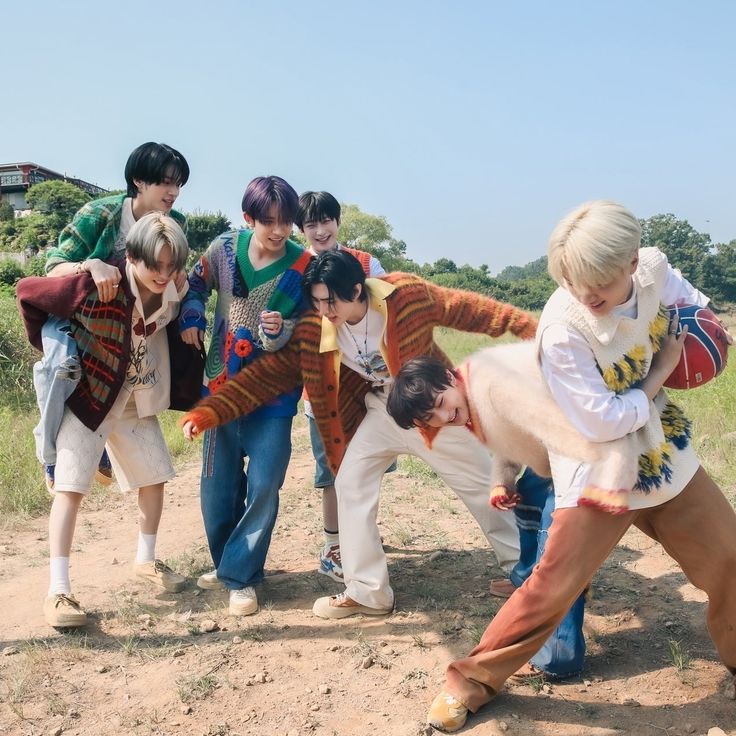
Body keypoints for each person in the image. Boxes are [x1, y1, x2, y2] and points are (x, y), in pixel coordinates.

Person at [401, 199, 736, 732]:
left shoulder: (653, 267)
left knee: (730, 556)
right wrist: (664, 367)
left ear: (629, 262)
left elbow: (693, 307)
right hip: (598, 464)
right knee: (550, 586)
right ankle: (469, 681)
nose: (584, 295)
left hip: (661, 452)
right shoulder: (563, 329)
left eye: (595, 282)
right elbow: (603, 422)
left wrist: (705, 334)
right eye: (572, 281)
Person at [181, 249, 537, 620]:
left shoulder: (403, 296)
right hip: (381, 409)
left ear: (355, 290)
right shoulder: (315, 327)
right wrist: (209, 413)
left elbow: (463, 308)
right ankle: (368, 591)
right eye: (317, 301)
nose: (324, 310)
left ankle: (528, 573)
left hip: (431, 409)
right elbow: (268, 375)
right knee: (349, 483)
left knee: (483, 487)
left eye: (330, 301)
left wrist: (529, 329)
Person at [17, 212, 194, 628]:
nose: (163, 274)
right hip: (91, 397)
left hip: (136, 395)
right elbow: (28, 293)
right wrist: (59, 354)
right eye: (155, 265)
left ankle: (145, 561)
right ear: (131, 257)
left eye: (172, 265)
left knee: (154, 478)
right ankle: (58, 591)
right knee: (70, 488)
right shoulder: (101, 283)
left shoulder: (174, 291)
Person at [179, 176, 312, 617]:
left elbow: (313, 324)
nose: (279, 231)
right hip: (219, 388)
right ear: (249, 218)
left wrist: (284, 330)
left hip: (274, 394)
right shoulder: (222, 249)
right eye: (269, 221)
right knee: (216, 488)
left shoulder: (304, 265)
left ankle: (241, 577)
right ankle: (227, 564)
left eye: (287, 222)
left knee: (265, 484)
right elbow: (194, 285)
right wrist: (192, 318)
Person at [38, 142, 190, 490]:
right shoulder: (101, 213)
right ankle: (51, 456)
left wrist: (180, 272)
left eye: (178, 183)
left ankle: (105, 445)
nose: (173, 192)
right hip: (78, 314)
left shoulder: (175, 223)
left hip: (127, 327)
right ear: (138, 180)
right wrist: (90, 264)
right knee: (59, 366)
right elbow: (52, 268)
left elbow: (173, 271)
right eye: (165, 182)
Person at [295, 190, 392, 582]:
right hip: (323, 393)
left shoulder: (367, 265)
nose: (320, 230)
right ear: (302, 229)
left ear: (337, 222)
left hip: (369, 390)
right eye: (310, 224)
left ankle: (363, 532)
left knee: (368, 467)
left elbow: (391, 313)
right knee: (332, 471)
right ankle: (333, 543)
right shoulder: (296, 269)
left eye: (326, 221)